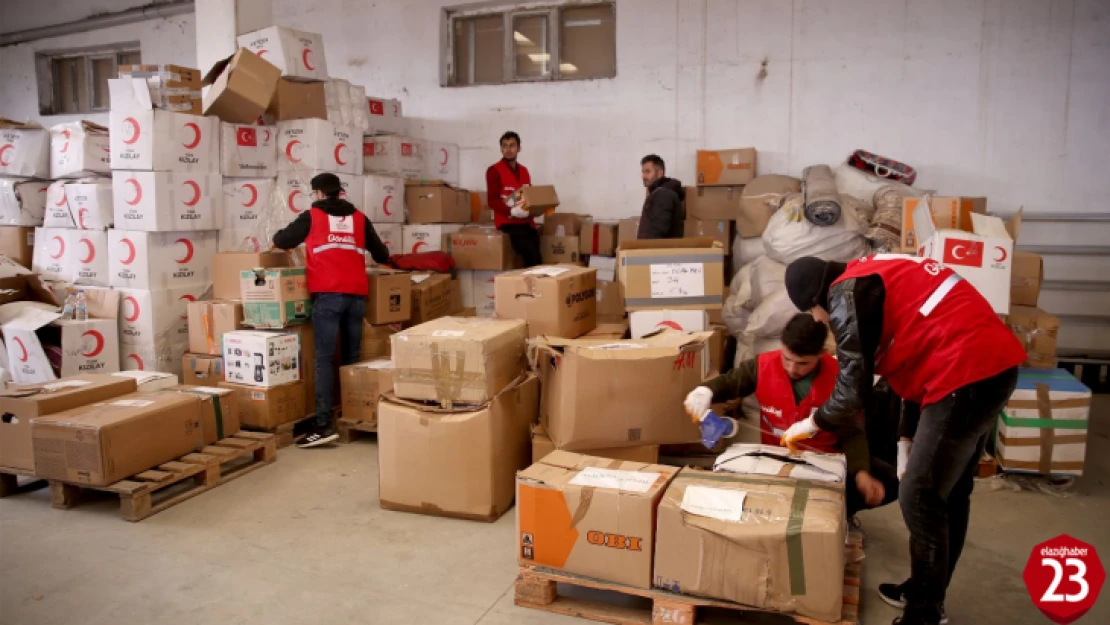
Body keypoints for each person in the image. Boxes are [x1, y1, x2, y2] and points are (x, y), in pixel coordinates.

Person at [779, 254, 1026, 625]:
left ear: (817, 297)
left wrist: (813, 423)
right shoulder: (872, 275)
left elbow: (851, 391)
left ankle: (924, 615)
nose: (817, 320)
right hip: (988, 366)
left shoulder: (844, 293)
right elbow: (914, 357)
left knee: (920, 496)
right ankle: (926, 591)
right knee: (950, 492)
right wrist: (906, 437)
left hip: (964, 374)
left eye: (814, 311)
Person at [683, 313, 899, 517]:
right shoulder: (763, 366)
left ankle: (838, 516)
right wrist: (705, 392)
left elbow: (852, 432)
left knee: (890, 480)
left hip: (823, 463)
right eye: (787, 358)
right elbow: (731, 382)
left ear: (821, 354)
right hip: (774, 459)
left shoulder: (840, 380)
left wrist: (861, 473)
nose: (792, 368)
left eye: (803, 363)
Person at [272, 173, 390, 448]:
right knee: (351, 359)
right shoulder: (359, 218)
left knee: (324, 359)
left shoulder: (312, 216)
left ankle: (323, 426)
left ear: (319, 193)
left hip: (328, 295)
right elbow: (382, 254)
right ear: (339, 192)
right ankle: (352, 413)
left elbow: (282, 239)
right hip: (357, 296)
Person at [486, 131, 541, 267]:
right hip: (508, 223)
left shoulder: (524, 171)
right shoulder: (494, 170)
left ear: (519, 148)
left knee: (538, 258)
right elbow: (492, 200)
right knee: (532, 257)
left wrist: (538, 208)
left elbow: (530, 195)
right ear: (501, 149)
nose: (508, 149)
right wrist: (511, 211)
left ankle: (537, 285)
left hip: (526, 222)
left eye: (512, 146)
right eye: (505, 146)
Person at [637, 154, 685, 239]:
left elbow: (657, 230)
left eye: (648, 171)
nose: (643, 176)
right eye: (643, 172)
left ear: (660, 173)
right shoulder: (659, 192)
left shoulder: (663, 195)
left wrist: (644, 249)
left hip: (655, 251)